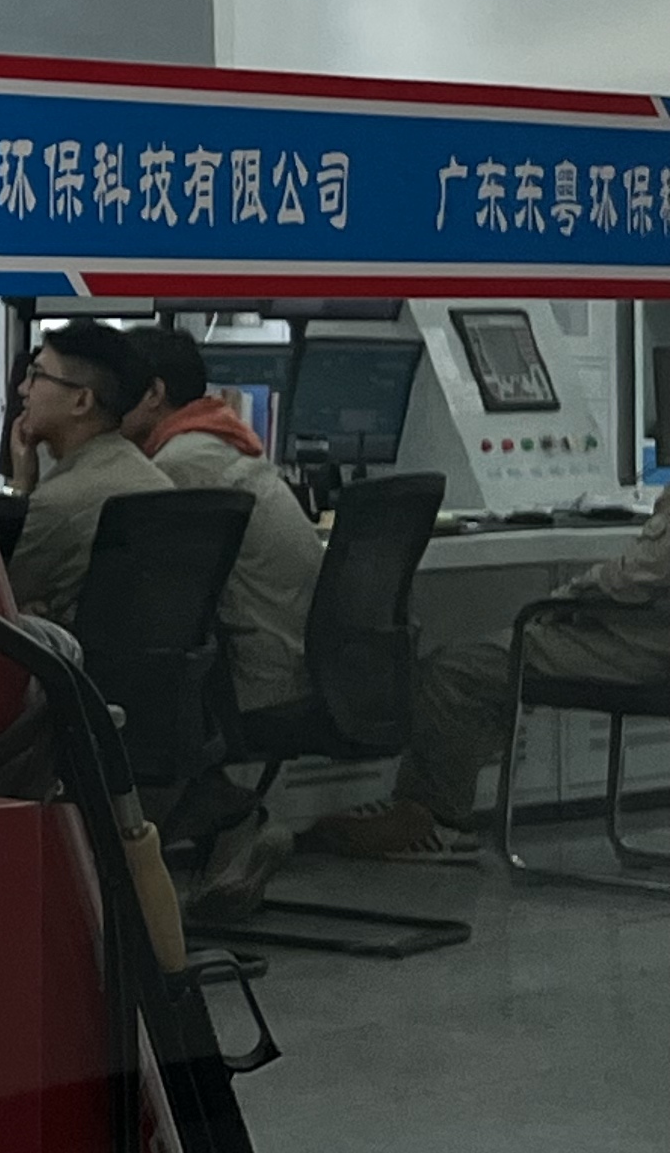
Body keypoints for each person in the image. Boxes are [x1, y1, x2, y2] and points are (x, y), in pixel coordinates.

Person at [309, 499, 670, 862]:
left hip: (638, 648)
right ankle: (417, 806)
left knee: (457, 671)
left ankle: (434, 818)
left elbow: (631, 577)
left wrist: (565, 597)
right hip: (645, 643)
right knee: (481, 664)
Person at [120, 323, 320, 717]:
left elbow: (140, 592)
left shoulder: (181, 463)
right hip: (294, 667)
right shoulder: (215, 441)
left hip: (258, 684)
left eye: (113, 388)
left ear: (154, 394)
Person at [0, 321, 173, 630]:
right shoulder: (154, 480)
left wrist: (19, 487)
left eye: (37, 375)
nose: (23, 389)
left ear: (81, 401)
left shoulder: (59, 504)